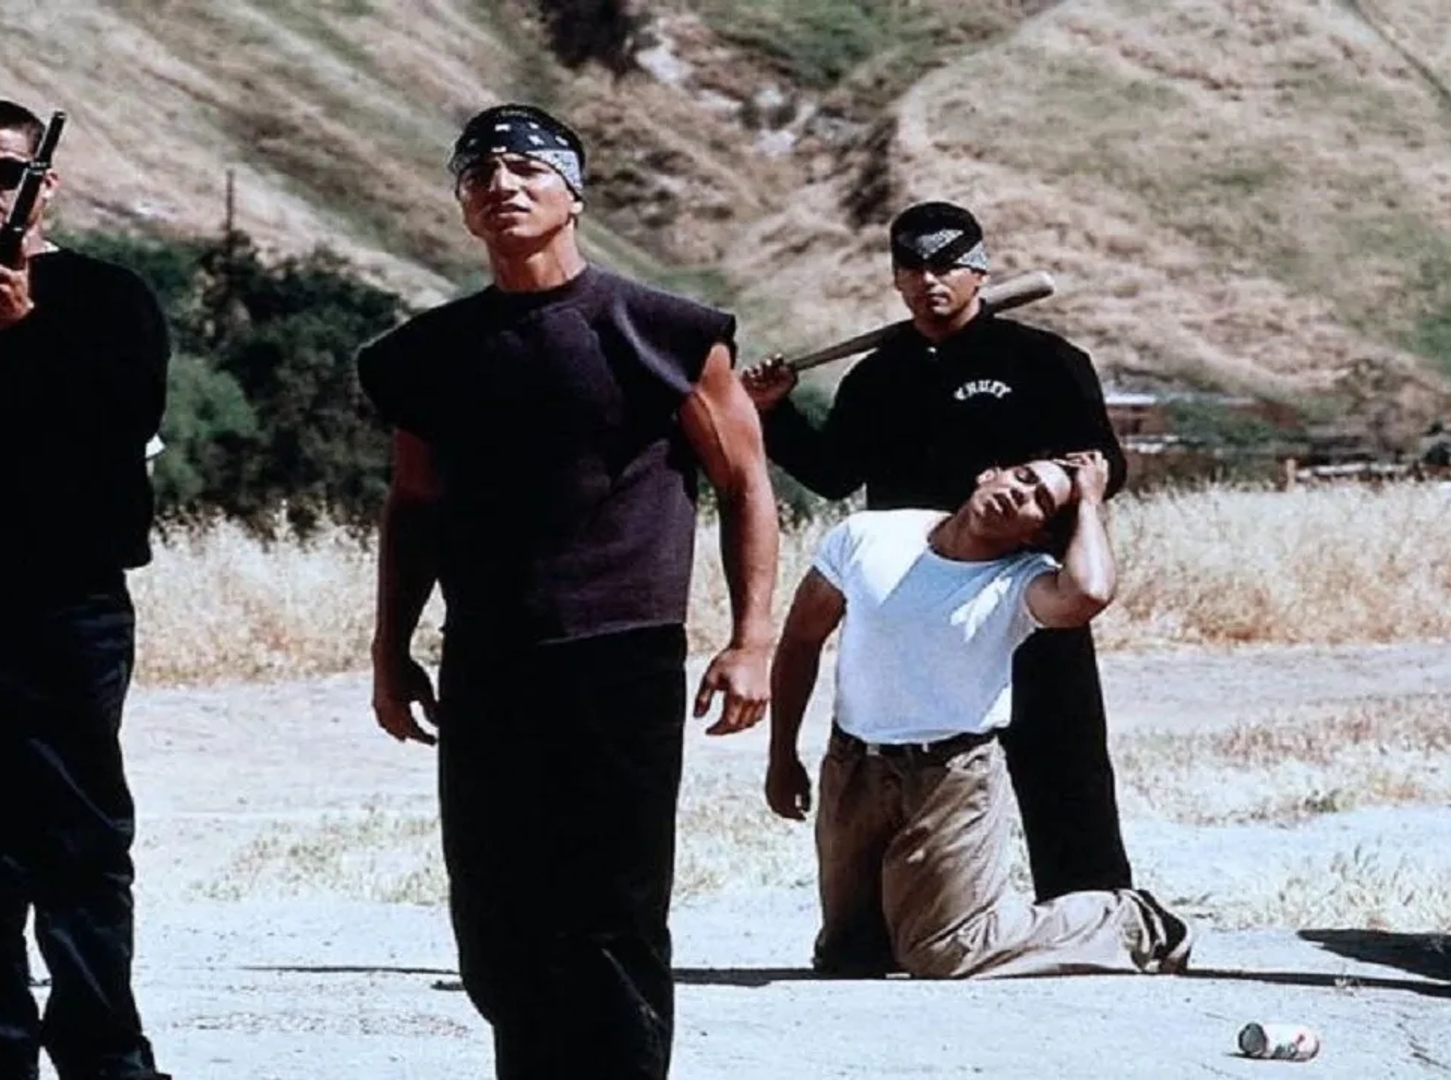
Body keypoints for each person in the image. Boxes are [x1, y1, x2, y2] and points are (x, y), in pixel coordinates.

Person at [356, 103, 779, 1080]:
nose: (503, 185)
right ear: (463, 206)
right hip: (488, 657)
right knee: (496, 915)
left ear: (574, 194)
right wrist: (390, 649)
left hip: (619, 654)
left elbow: (745, 481)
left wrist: (751, 638)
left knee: (611, 912)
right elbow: (414, 503)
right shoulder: (426, 355)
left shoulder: (663, 332)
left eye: (528, 168)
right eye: (479, 174)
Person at [739, 200, 1133, 902]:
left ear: (980, 271)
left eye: (947, 264)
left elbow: (1104, 467)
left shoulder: (1044, 361)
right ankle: (908, 921)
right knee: (913, 772)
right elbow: (833, 473)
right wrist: (777, 412)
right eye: (913, 267)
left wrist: (1041, 504)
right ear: (896, 279)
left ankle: (1094, 913)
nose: (930, 280)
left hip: (1023, 587)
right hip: (915, 598)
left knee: (1063, 760)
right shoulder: (877, 377)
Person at [0, 99, 171, 1080]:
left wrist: (23, 331)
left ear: (45, 185)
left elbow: (119, 438)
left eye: (5, 172)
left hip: (64, 606)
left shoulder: (108, 300)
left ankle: (103, 1051)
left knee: (79, 838)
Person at [756, 452, 1189, 978]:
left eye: (1039, 501)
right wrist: (782, 757)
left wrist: (1089, 502)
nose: (1020, 493)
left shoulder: (1021, 581)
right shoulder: (868, 534)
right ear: (989, 474)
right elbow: (802, 639)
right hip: (854, 769)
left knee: (947, 952)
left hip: (948, 780)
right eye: (1022, 478)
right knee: (850, 957)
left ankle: (1129, 921)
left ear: (1036, 533)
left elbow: (1088, 592)